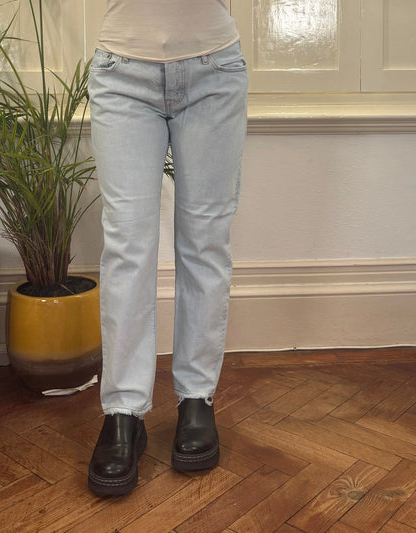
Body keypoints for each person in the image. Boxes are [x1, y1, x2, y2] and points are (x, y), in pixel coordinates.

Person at [87, 0, 248, 497]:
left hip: (214, 69)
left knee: (205, 243)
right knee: (127, 248)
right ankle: (123, 412)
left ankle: (196, 399)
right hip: (121, 71)